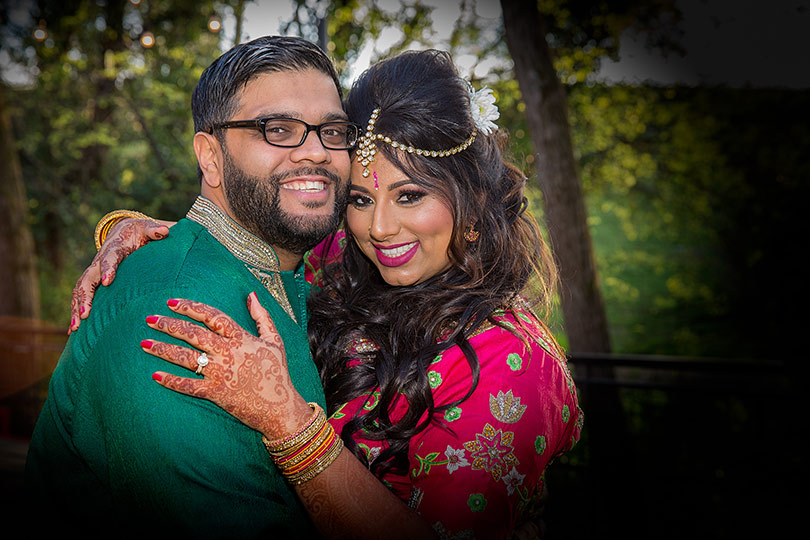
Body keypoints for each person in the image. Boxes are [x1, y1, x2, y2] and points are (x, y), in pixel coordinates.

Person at [70, 49, 583, 539]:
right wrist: (142, 234)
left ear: (472, 203)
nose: (380, 227)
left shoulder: (509, 360)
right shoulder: (357, 264)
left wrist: (287, 421)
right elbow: (253, 239)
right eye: (360, 198)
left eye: (410, 195)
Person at [24, 35, 366, 536]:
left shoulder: (300, 273)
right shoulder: (173, 313)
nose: (316, 152)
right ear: (210, 158)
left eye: (332, 131)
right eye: (278, 129)